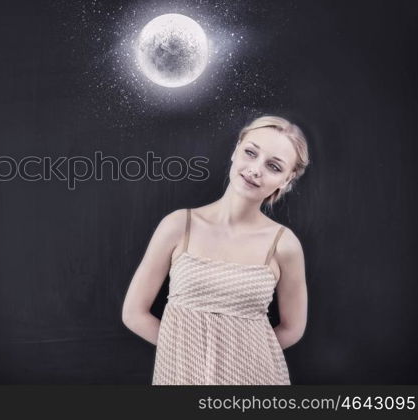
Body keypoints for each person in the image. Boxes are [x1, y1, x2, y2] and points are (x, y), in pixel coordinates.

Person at [121, 115, 309, 385]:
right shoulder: (178, 225)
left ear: (286, 179)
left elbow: (293, 328)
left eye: (273, 166)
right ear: (236, 150)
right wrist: (189, 358)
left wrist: (238, 363)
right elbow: (134, 314)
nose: (255, 169)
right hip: (181, 375)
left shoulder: (284, 244)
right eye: (250, 153)